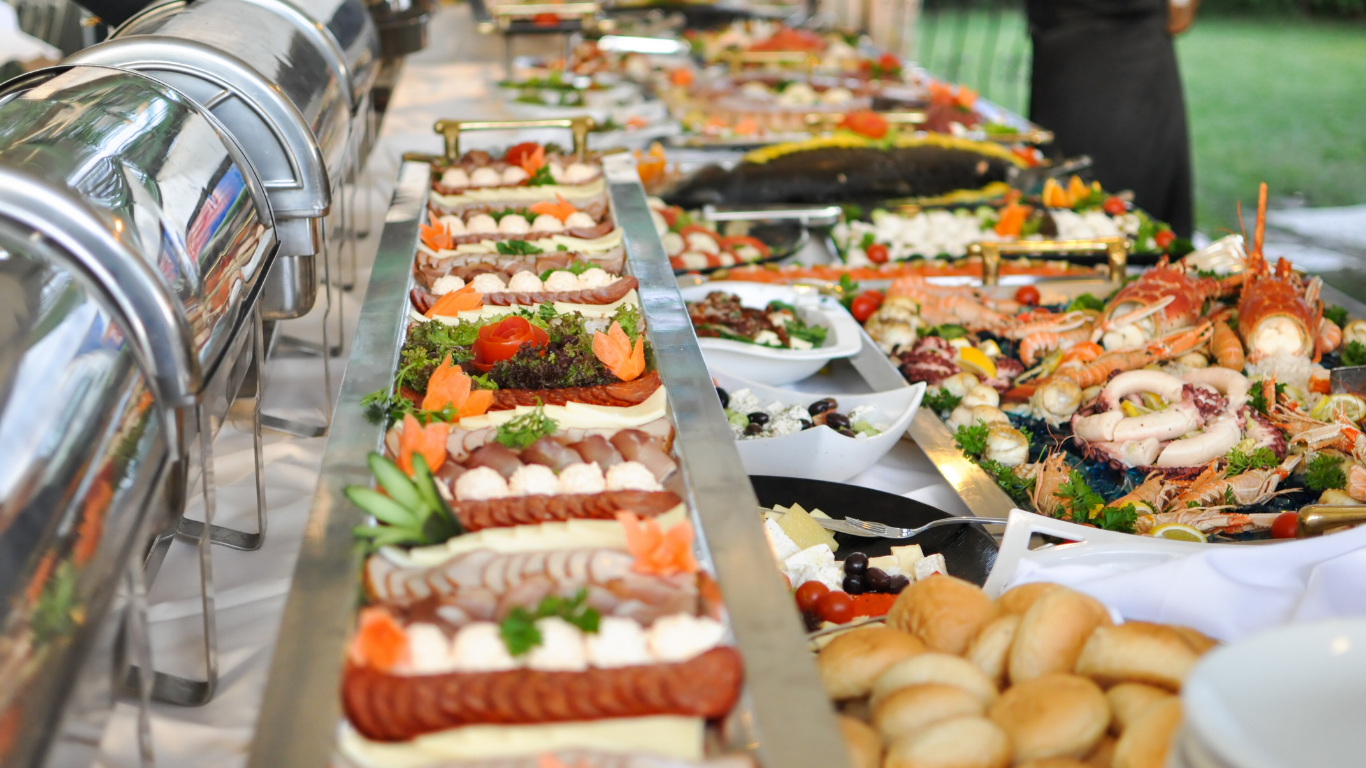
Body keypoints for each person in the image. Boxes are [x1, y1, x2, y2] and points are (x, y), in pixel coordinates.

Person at [1027, 0, 1198, 238]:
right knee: (1060, 190)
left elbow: (1179, 17)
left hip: (1132, 36)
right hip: (1062, 40)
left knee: (1144, 220)